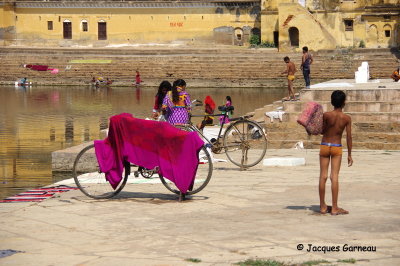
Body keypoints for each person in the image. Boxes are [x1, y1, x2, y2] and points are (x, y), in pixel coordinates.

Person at [319, 90, 353, 216]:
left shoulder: (326, 115)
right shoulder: (346, 118)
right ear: (344, 103)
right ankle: (334, 208)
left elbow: (322, 131)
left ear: (332, 102)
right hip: (336, 147)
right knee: (334, 177)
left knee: (323, 176)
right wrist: (349, 154)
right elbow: (349, 137)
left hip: (324, 145)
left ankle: (323, 206)